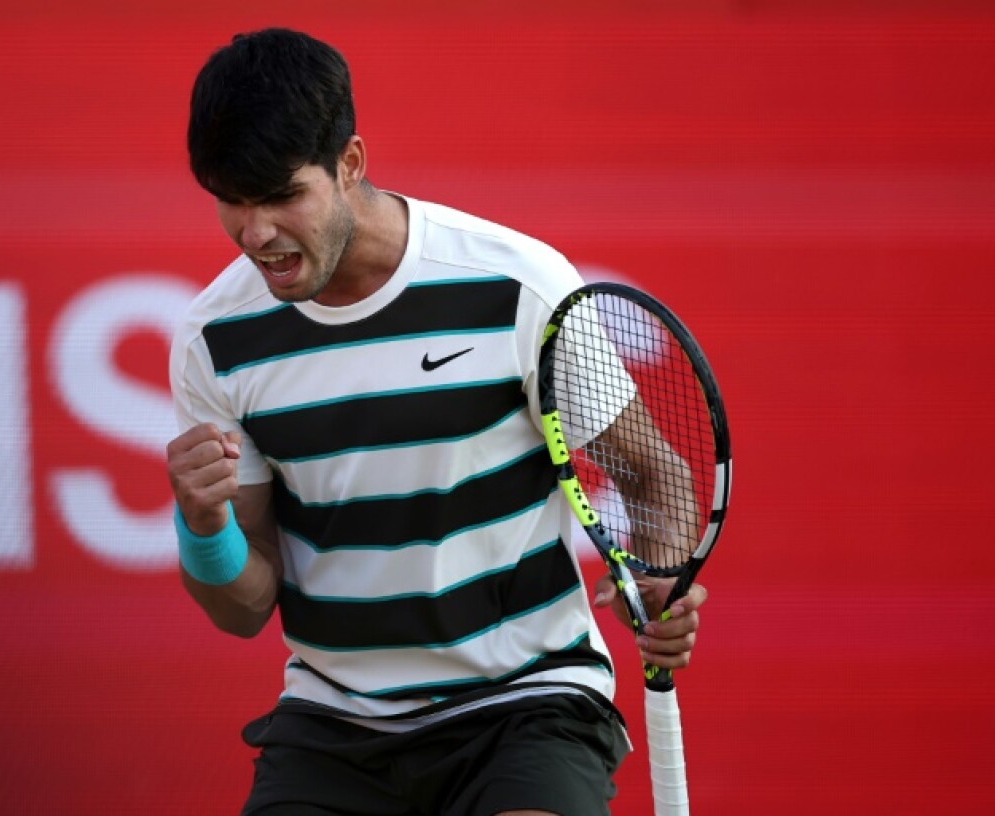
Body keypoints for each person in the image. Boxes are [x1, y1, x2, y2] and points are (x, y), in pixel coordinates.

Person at [166, 28, 708, 816]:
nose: (256, 235)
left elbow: (655, 476)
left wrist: (656, 571)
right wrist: (202, 525)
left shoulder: (514, 286)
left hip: (525, 705)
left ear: (349, 164)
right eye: (232, 201)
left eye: (282, 195)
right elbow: (244, 608)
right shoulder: (214, 339)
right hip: (334, 726)